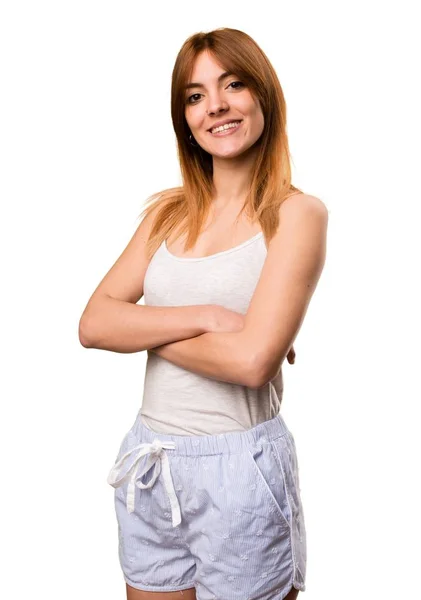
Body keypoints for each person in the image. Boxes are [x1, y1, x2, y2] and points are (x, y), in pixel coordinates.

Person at [79, 27, 328, 600]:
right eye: (194, 96)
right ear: (185, 119)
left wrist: (140, 330)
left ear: (263, 93)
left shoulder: (297, 215)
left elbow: (252, 363)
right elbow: (93, 324)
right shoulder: (166, 214)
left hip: (240, 470)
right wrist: (212, 316)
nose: (215, 105)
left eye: (232, 84)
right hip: (150, 460)